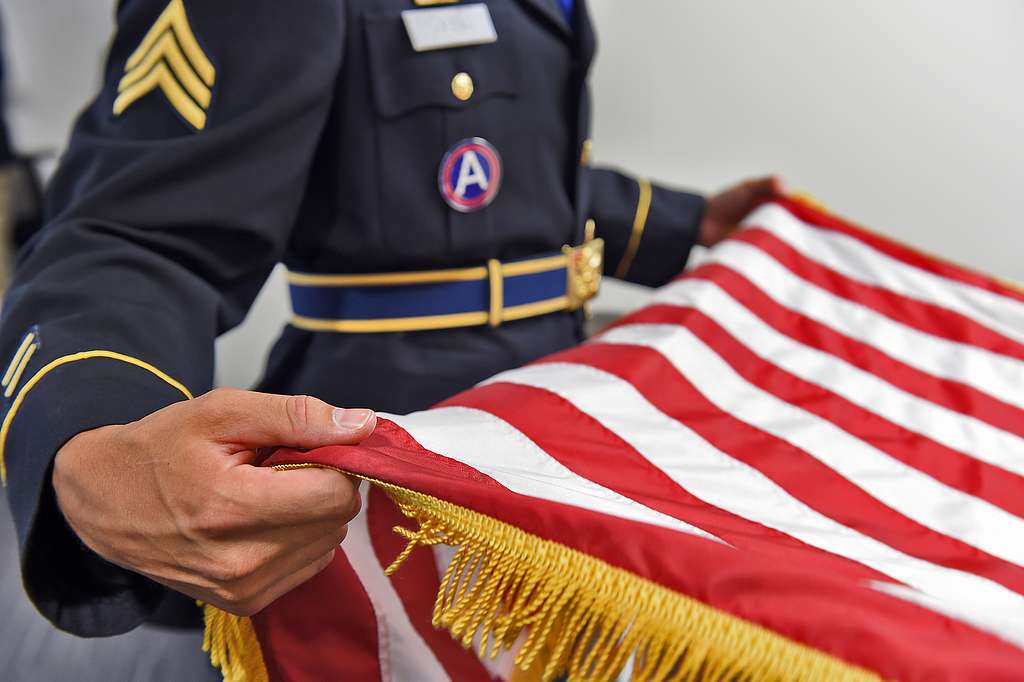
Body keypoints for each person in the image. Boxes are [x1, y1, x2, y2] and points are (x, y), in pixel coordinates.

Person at [0, 0, 780, 638]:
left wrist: (686, 223)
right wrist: (94, 438)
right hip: (388, 464)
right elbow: (139, 232)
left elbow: (514, 171)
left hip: (546, 421)